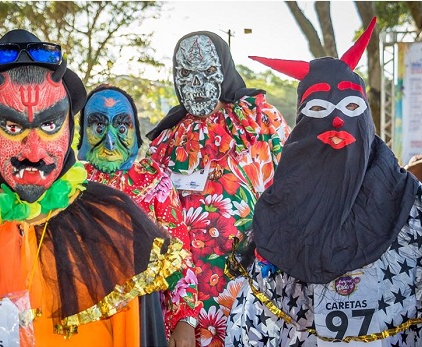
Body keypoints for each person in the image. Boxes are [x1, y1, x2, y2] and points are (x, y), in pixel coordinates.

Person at [0, 29, 188, 347]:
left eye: (50, 124)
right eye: (12, 126)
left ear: (68, 126)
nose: (34, 152)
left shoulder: (117, 225)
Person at [225, 18, 422, 346]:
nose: (337, 119)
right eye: (319, 107)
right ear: (302, 122)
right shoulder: (279, 217)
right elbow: (257, 329)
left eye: (350, 106)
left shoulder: (410, 206)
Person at [145, 31, 290, 347]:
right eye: (185, 74)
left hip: (249, 291)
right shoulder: (165, 140)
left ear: (223, 69)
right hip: (183, 304)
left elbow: (292, 196)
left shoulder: (259, 121)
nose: (195, 84)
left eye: (206, 72)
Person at [77, 84, 201, 347]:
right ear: (82, 134)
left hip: (142, 314)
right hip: (79, 316)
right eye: (99, 127)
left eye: (122, 128)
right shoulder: (67, 183)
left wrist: (184, 320)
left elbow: (178, 254)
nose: (110, 141)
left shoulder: (153, 180)